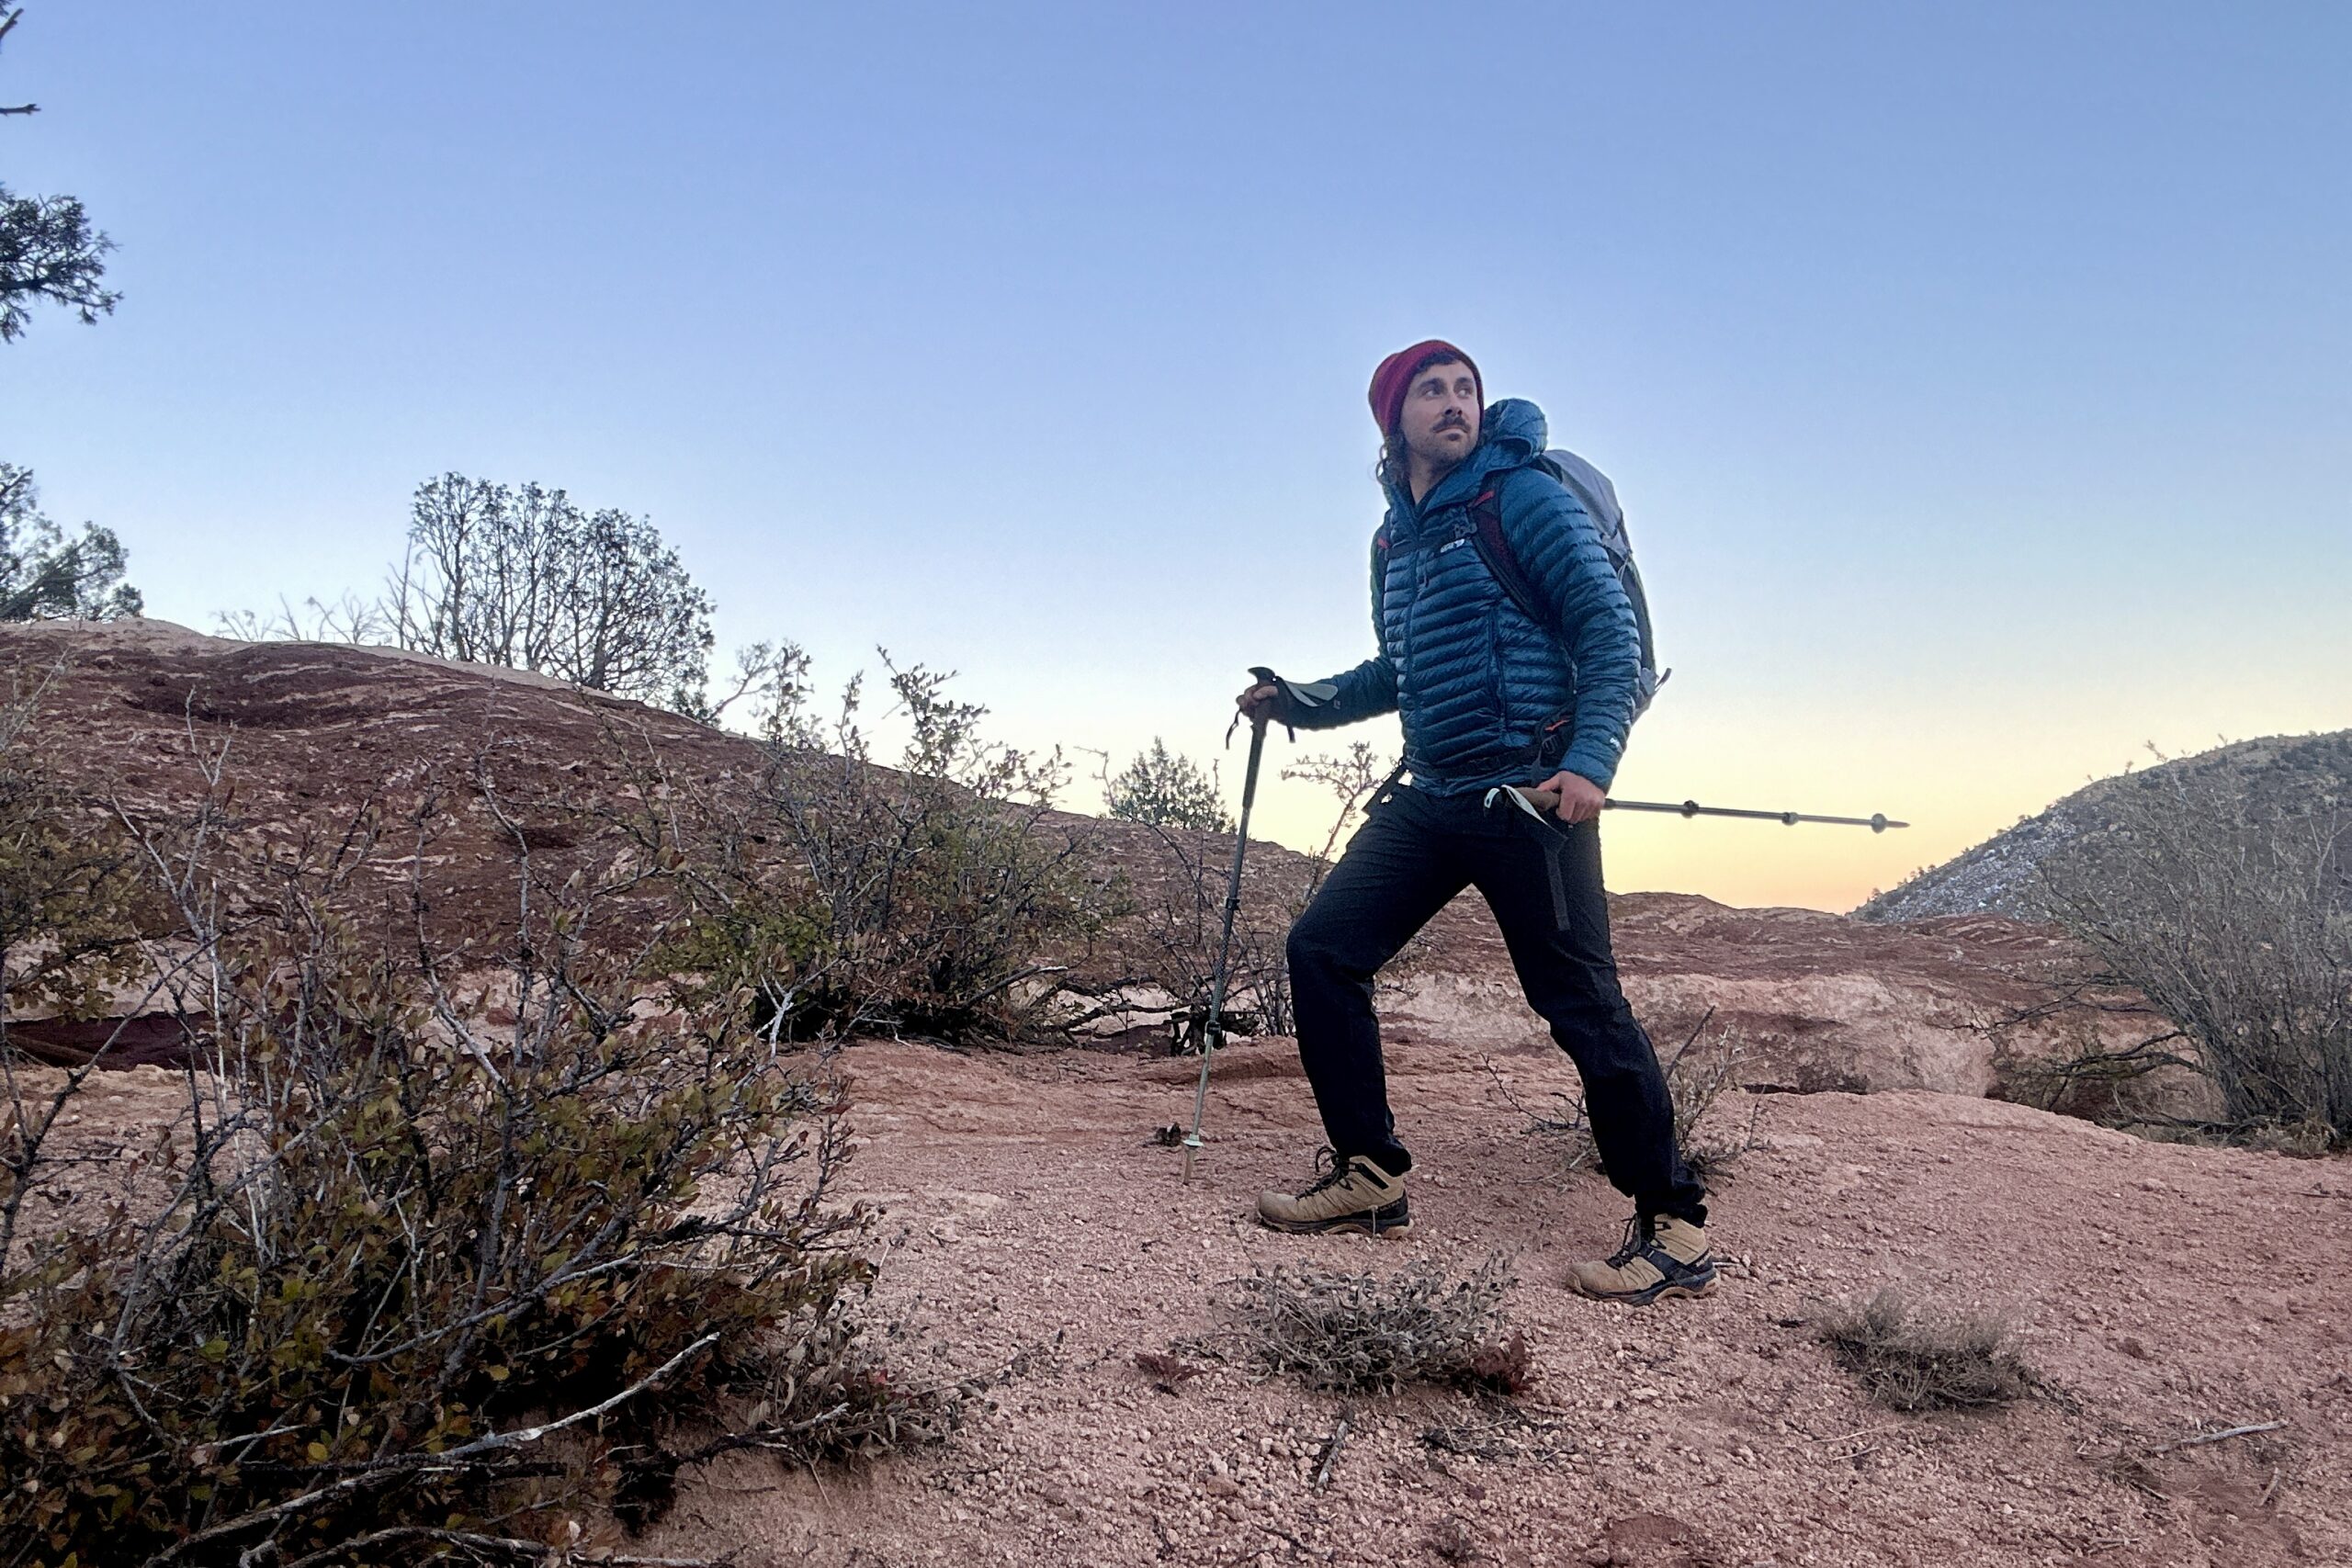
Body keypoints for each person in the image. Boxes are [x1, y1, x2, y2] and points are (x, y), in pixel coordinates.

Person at [1238, 340, 1714, 1305]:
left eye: (1465, 390)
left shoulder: (1522, 496)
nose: (1454, 405)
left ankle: (1674, 1224)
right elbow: (1396, 673)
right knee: (1323, 951)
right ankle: (1370, 1176)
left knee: (1579, 1004)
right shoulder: (1394, 540)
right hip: (1435, 792)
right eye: (1432, 392)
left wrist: (1587, 764)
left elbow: (1605, 627)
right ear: (1392, 418)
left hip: (1530, 796)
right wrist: (1299, 698)